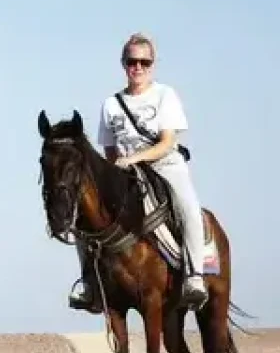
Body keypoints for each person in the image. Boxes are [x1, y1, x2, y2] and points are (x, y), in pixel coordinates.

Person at [69, 33, 209, 311]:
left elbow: (168, 142)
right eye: (132, 61)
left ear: (152, 65)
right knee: (84, 215)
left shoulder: (164, 95)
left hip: (165, 165)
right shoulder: (111, 104)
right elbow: (109, 149)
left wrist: (134, 158)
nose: (138, 68)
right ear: (124, 64)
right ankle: (89, 284)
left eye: (145, 62)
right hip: (125, 172)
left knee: (190, 209)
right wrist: (117, 169)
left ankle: (195, 277)